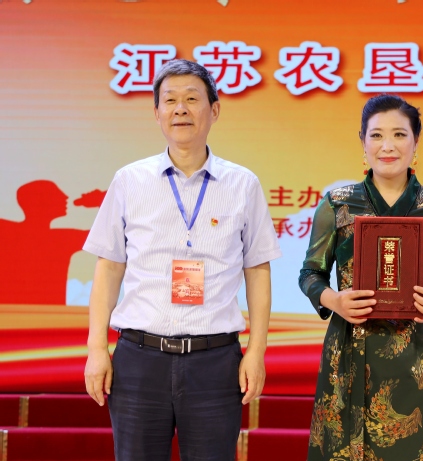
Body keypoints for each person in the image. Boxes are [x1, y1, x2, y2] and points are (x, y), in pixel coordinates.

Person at [82, 59, 281, 461]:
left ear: (214, 109)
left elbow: (257, 270)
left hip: (215, 362)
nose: (180, 110)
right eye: (170, 100)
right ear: (156, 113)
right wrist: (96, 348)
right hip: (139, 360)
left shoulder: (243, 184)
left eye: (192, 99)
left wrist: (256, 351)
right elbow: (110, 267)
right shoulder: (129, 181)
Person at [299, 94, 423, 461]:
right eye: (376, 135)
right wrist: (335, 301)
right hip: (349, 349)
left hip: (417, 356)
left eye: (399, 135)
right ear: (362, 141)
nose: (387, 146)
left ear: (415, 141)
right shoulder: (337, 204)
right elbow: (311, 274)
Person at [0, 181, 102, 305]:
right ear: (37, 202)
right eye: (55, 193)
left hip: (45, 313)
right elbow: (106, 233)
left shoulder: (62, 238)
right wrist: (101, 200)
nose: (65, 196)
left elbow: (106, 234)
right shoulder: (61, 239)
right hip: (31, 313)